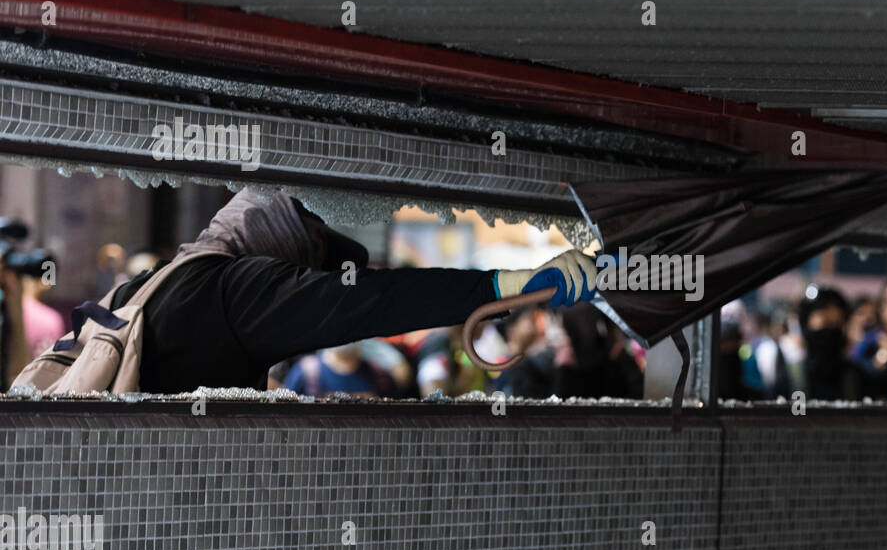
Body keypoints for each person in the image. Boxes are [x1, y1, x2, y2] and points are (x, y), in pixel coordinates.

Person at [59, 187, 595, 395]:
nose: (308, 280)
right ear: (282, 246)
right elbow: (375, 301)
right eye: (309, 262)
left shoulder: (155, 282)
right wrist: (508, 285)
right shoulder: (238, 288)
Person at [797, 285, 861, 401]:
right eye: (825, 323)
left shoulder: (856, 377)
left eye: (836, 324)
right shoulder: (793, 376)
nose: (830, 332)